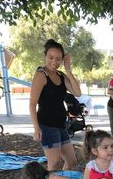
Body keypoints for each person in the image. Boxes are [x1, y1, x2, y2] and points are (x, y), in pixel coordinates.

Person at [29, 39, 81, 171]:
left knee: (72, 161)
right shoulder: (41, 75)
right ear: (45, 56)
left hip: (61, 125)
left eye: (58, 59)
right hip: (46, 125)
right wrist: (36, 128)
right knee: (54, 163)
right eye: (50, 58)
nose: (54, 62)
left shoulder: (61, 75)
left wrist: (68, 70)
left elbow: (77, 92)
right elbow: (32, 103)